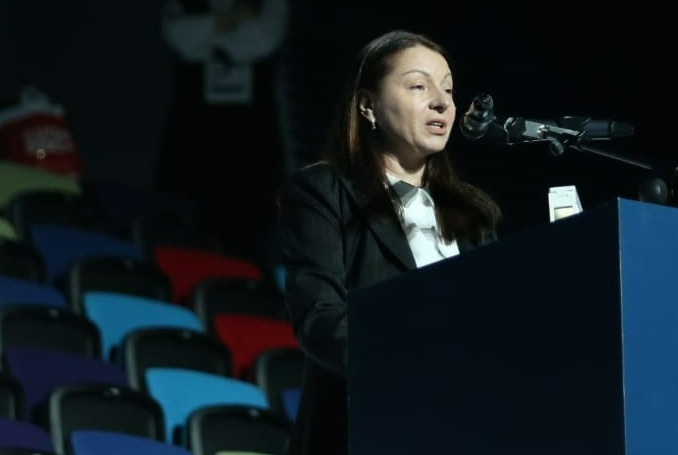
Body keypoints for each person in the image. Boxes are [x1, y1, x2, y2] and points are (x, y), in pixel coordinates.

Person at [278, 30, 502, 455]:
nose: (441, 102)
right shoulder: (322, 191)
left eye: (448, 89)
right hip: (363, 428)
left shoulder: (473, 215)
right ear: (368, 105)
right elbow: (320, 319)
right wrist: (415, 370)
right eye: (419, 86)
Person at [156, 0, 288, 264]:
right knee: (184, 226)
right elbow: (180, 38)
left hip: (252, 138)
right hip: (192, 133)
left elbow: (265, 38)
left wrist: (210, 33)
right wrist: (236, 18)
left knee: (252, 233)